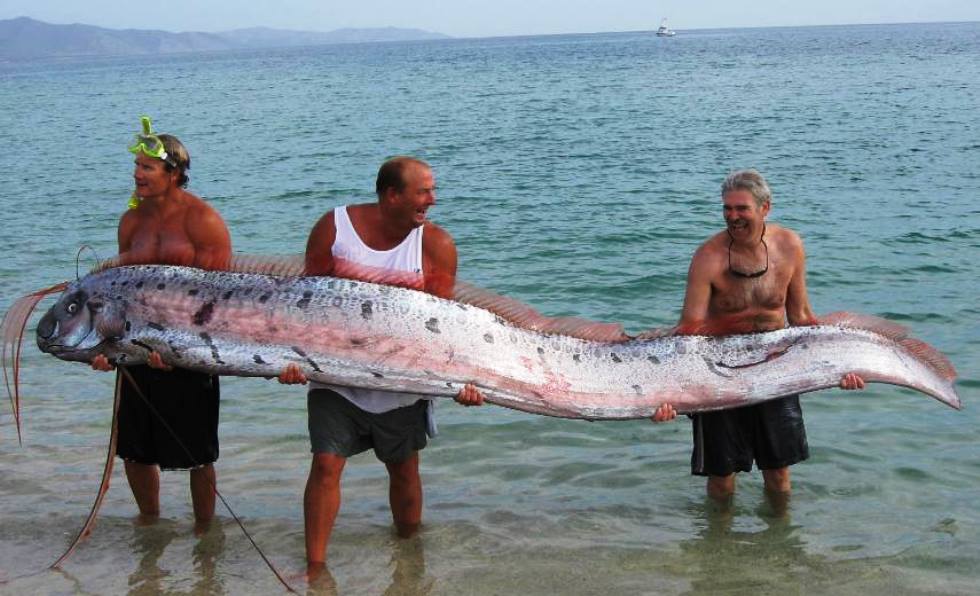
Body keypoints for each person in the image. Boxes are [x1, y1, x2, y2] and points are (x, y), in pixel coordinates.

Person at [278, 156, 484, 571]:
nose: (432, 200)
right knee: (324, 465)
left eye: (432, 190)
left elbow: (443, 327)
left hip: (402, 384)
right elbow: (304, 305)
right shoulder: (333, 229)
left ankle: (409, 562)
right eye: (423, 191)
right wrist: (291, 360)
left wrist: (465, 381)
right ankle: (314, 569)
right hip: (336, 379)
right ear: (392, 195)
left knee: (404, 471)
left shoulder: (435, 245)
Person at [651, 169, 864, 501]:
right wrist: (670, 395)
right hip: (719, 371)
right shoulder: (708, 257)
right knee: (721, 477)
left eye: (741, 209)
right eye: (727, 209)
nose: (732, 217)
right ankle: (717, 547)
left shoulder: (790, 246)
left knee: (779, 474)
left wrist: (842, 367)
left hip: (775, 367)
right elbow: (689, 332)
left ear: (765, 208)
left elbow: (802, 318)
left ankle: (782, 547)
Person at [91, 117, 232, 528]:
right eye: (135, 166)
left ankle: (205, 533)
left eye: (146, 167)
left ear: (174, 174)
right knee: (134, 450)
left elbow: (219, 299)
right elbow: (121, 295)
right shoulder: (130, 222)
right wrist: (106, 349)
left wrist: (177, 352)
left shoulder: (201, 219)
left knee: (199, 455)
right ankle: (149, 526)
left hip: (188, 351)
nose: (137, 174)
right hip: (135, 349)